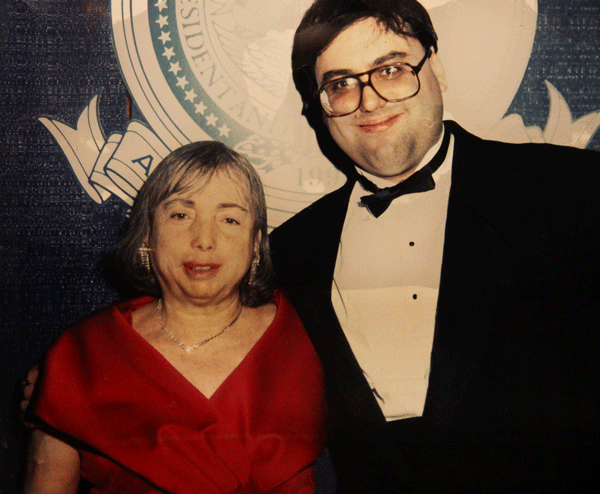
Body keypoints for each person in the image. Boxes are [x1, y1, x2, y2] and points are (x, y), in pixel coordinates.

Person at [268, 0, 600, 492]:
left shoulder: (569, 190)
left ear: (436, 67)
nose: (370, 101)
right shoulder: (291, 250)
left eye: (392, 69)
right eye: (341, 84)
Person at [22, 141, 328, 494]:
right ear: (148, 235)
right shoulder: (82, 355)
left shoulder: (310, 339)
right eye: (181, 215)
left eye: (229, 219)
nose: (204, 239)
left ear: (256, 244)